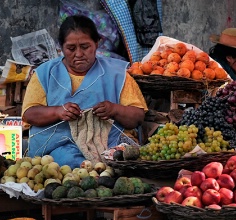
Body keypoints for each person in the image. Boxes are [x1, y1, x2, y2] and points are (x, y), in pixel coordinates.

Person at [22, 14, 147, 168]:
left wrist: (114, 109)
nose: (79, 54)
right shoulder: (45, 73)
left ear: (97, 43)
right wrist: (58, 112)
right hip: (60, 146)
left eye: (85, 47)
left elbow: (138, 117)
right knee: (67, 161)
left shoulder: (117, 74)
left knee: (120, 161)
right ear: (61, 47)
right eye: (71, 48)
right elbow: (29, 114)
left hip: (108, 145)